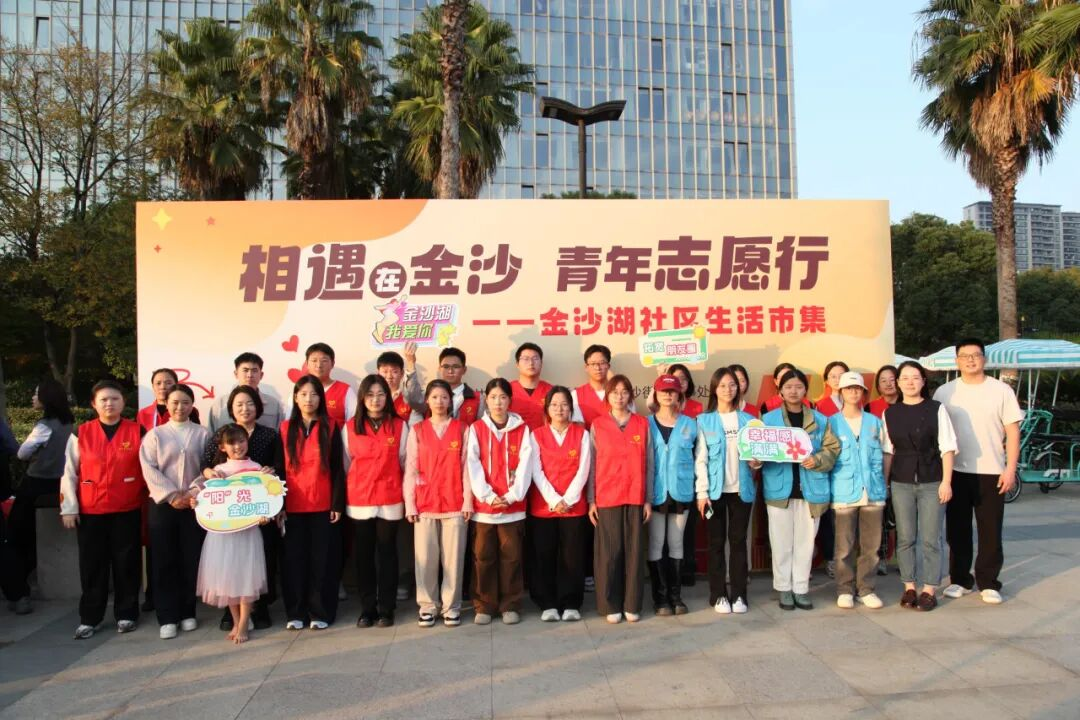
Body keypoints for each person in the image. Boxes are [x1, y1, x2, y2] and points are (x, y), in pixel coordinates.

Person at [935, 339, 1023, 605]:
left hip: (992, 471)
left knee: (990, 530)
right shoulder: (945, 392)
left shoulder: (1001, 390)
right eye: (965, 356)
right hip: (956, 472)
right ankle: (960, 579)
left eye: (976, 355)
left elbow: (1013, 432)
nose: (971, 360)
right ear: (957, 361)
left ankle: (988, 582)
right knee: (957, 530)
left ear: (984, 359)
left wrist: (1010, 469)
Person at [60, 380, 147, 639]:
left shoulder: (137, 431)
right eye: (104, 399)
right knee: (92, 566)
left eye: (115, 398)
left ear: (123, 402)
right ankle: (90, 618)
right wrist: (69, 508)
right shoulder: (81, 433)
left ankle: (127, 614)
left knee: (127, 563)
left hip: (127, 507)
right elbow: (69, 473)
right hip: (91, 511)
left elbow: (149, 468)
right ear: (94, 404)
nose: (110, 404)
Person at [201, 385, 285, 631]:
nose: (245, 408)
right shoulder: (221, 434)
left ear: (257, 407)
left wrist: (270, 473)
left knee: (259, 562)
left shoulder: (269, 435)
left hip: (258, 512)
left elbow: (279, 467)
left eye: (249, 403)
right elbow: (205, 466)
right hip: (227, 519)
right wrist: (208, 473)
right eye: (239, 404)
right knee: (228, 565)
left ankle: (261, 609)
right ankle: (232, 615)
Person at [752, 369, 838, 611]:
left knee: (805, 544)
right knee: (781, 543)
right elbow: (758, 452)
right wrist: (756, 460)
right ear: (780, 390)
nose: (793, 391)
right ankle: (784, 588)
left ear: (805, 390)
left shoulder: (820, 420)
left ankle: (801, 588)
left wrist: (817, 460)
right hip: (780, 490)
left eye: (798, 387)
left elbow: (832, 449)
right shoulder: (768, 420)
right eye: (788, 387)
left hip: (811, 490)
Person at [882, 361, 957, 611]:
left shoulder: (936, 409)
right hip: (901, 481)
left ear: (923, 381)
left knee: (931, 538)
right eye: (905, 378)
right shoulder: (890, 413)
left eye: (915, 377)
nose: (910, 382)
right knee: (905, 537)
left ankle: (929, 589)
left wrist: (946, 482)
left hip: (932, 480)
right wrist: (885, 483)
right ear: (898, 383)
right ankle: (909, 586)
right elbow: (888, 452)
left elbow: (947, 447)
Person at [139, 384, 211, 639]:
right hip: (162, 506)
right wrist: (171, 495)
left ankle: (188, 611)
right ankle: (167, 616)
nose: (180, 407)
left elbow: (208, 467)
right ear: (167, 405)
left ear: (192, 405)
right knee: (163, 560)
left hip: (193, 504)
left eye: (185, 402)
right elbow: (149, 468)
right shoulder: (155, 435)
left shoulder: (203, 434)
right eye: (175, 402)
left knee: (190, 558)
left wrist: (192, 492)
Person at [404, 380, 473, 628]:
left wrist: (468, 500)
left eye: (444, 397)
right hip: (425, 503)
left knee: (453, 559)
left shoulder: (462, 429)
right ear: (427, 401)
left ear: (451, 401)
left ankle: (451, 606)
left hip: (455, 502)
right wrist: (410, 504)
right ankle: (427, 606)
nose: (440, 402)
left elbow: (467, 468)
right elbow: (411, 468)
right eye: (434, 397)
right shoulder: (417, 430)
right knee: (425, 559)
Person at [280, 375, 346, 629]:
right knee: (294, 561)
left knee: (323, 561)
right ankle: (295, 612)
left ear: (321, 398)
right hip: (292, 506)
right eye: (303, 394)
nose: (309, 399)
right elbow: (278, 470)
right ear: (296, 398)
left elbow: (338, 468)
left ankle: (321, 612)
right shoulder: (285, 428)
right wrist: (279, 506)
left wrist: (337, 504)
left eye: (314, 394)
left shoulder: (331, 426)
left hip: (323, 505)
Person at [466, 378, 533, 625]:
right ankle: (484, 605)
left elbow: (526, 465)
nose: (498, 402)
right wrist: (489, 496)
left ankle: (510, 604)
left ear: (510, 400)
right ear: (486, 399)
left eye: (503, 397)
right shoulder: (476, 429)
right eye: (493, 397)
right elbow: (472, 465)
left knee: (511, 558)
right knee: (483, 557)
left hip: (513, 507)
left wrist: (512, 495)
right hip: (485, 509)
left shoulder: (522, 430)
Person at [343, 374, 407, 628]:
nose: (375, 399)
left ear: (387, 397)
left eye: (381, 394)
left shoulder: (399, 426)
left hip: (390, 498)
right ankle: (367, 608)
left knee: (388, 553)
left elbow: (404, 461)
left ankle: (387, 609)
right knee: (364, 556)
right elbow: (346, 463)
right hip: (360, 499)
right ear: (362, 398)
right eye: (370, 395)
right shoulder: (350, 427)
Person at [195, 425, 269, 644]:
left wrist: (265, 514)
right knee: (227, 577)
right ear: (222, 447)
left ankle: (245, 622)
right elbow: (204, 497)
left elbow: (266, 499)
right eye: (232, 443)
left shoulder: (257, 469)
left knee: (246, 576)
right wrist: (196, 501)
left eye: (241, 441)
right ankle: (236, 620)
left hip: (248, 533)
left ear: (248, 441)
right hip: (222, 534)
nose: (237, 446)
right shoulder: (217, 471)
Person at [589, 374, 652, 624]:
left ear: (631, 396)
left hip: (636, 496)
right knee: (610, 553)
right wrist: (591, 500)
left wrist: (648, 499)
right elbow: (592, 465)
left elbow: (650, 464)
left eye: (624, 392)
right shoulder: (598, 425)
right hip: (607, 497)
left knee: (634, 553)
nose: (619, 396)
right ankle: (610, 604)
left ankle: (632, 604)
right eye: (614, 392)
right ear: (608, 396)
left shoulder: (642, 424)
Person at [695, 367, 756, 615]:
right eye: (722, 385)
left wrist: (756, 463)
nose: (728, 389)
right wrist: (702, 493)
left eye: (732, 385)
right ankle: (718, 594)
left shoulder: (749, 420)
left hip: (742, 490)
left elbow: (757, 457)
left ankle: (739, 594)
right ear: (714, 389)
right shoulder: (704, 420)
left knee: (739, 542)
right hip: (714, 493)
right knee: (716, 543)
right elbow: (701, 459)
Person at [10, 378, 74, 615]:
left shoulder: (44, 426)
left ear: (47, 398)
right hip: (61, 485)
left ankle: (20, 588)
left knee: (17, 535)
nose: (33, 398)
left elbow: (22, 453)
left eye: (36, 394)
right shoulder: (70, 424)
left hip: (36, 484)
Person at [528, 386, 591, 622]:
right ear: (547, 409)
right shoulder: (536, 435)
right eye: (554, 404)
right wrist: (554, 500)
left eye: (564, 404)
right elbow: (536, 470)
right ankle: (547, 603)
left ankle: (571, 602)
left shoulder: (582, 434)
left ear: (571, 408)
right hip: (544, 506)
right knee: (544, 555)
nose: (559, 409)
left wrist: (569, 499)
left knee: (572, 556)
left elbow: (584, 469)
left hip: (574, 506)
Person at [827, 372, 887, 611]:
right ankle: (845, 589)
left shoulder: (875, 422)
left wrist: (884, 483)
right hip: (843, 492)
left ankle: (866, 589)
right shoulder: (831, 422)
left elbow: (886, 453)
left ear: (863, 392)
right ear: (841, 392)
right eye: (848, 388)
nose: (853, 392)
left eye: (857, 388)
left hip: (873, 491)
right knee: (844, 547)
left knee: (871, 547)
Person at [646, 374, 697, 616]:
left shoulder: (691, 424)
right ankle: (660, 598)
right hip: (656, 492)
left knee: (676, 543)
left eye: (672, 391)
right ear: (655, 394)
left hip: (681, 491)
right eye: (663, 391)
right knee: (656, 542)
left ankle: (676, 597)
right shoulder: (646, 424)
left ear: (679, 395)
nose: (668, 395)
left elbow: (700, 459)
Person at [867, 364, 900, 576]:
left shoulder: (909, 404)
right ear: (878, 386)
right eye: (883, 381)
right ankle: (880, 557)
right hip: (877, 468)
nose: (888, 384)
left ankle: (902, 558)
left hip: (905, 469)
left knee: (902, 518)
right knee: (879, 517)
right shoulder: (870, 408)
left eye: (892, 379)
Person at [207, 353, 283, 432]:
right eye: (245, 370)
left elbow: (279, 434)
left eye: (254, 371)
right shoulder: (220, 405)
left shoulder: (273, 405)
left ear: (261, 375)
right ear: (236, 374)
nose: (250, 375)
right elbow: (212, 436)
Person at [304, 343, 357, 426]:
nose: (319, 365)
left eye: (324, 361)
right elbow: (291, 423)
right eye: (314, 360)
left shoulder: (346, 391)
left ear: (332, 363)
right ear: (307, 364)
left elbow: (353, 425)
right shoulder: (300, 390)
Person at [137, 368, 202, 431]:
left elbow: (196, 434)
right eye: (158, 383)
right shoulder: (143, 413)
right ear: (153, 386)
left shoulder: (187, 410)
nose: (163, 387)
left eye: (168, 383)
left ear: (176, 385)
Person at [509, 343, 552, 431]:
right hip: (514, 438)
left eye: (535, 358)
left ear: (541, 363)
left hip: (543, 439)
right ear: (517, 364)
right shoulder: (506, 390)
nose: (531, 363)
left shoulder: (551, 391)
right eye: (526, 359)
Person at [376, 343, 423, 424]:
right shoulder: (372, 399)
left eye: (394, 371)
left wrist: (411, 362)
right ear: (378, 373)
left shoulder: (409, 398)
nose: (389, 376)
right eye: (385, 371)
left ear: (402, 374)